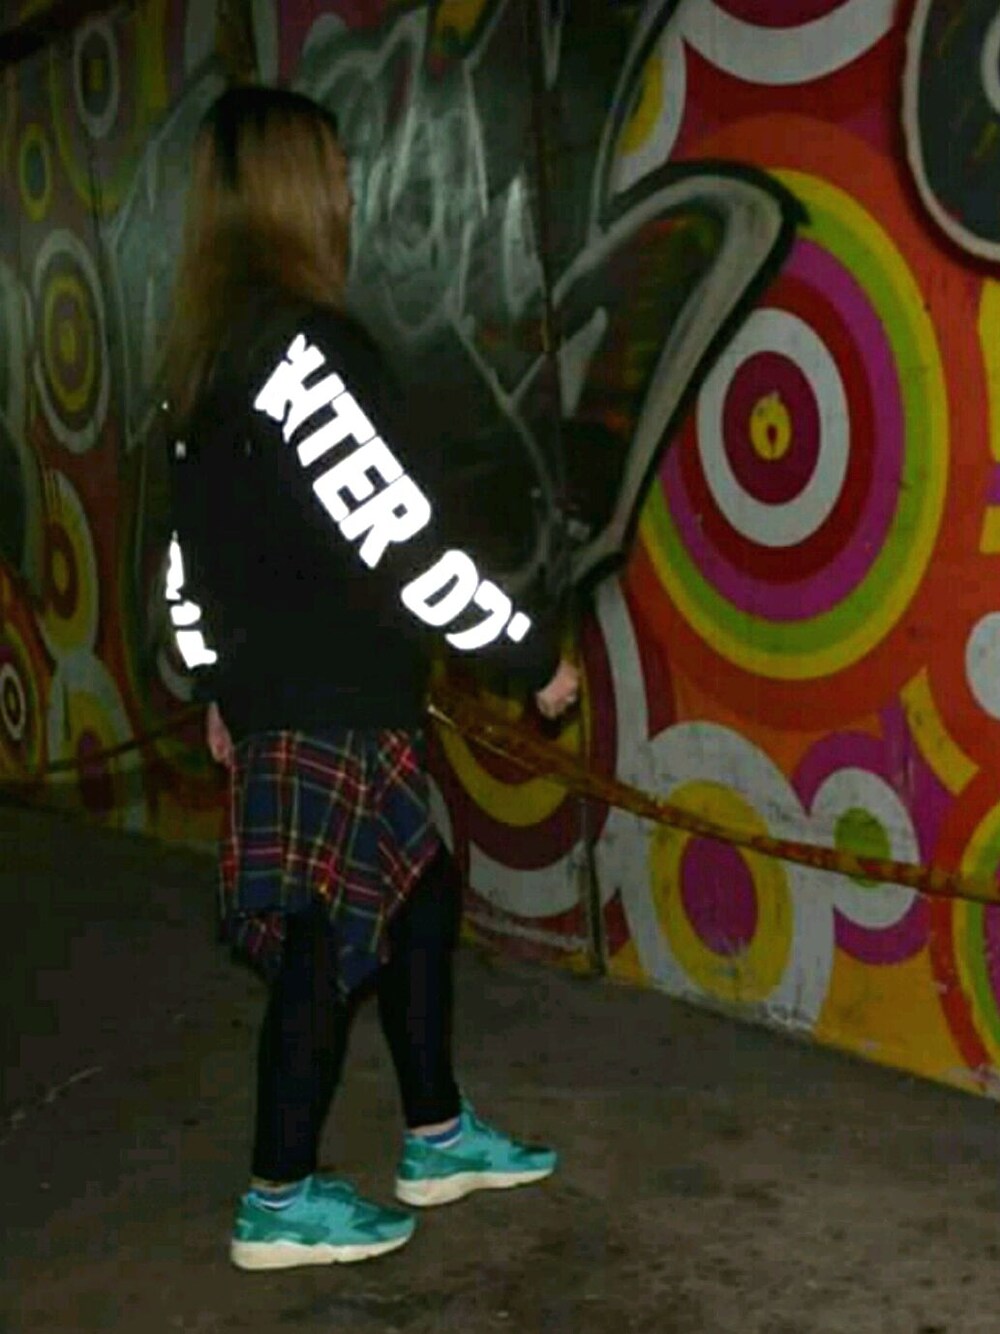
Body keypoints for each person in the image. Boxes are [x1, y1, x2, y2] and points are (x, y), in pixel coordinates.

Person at [160, 84, 580, 1273]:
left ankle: (436, 1132)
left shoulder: (204, 363)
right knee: (323, 940)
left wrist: (212, 686)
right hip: (335, 699)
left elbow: (181, 560)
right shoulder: (304, 354)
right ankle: (278, 1193)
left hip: (286, 695)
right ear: (297, 189)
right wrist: (528, 654)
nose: (349, 188)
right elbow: (402, 539)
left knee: (417, 897)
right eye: (335, 168)